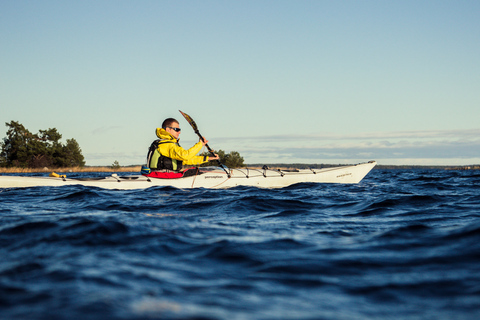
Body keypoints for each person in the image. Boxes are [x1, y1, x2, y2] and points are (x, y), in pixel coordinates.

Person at [144, 118, 219, 178]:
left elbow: (185, 160)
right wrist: (200, 145)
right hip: (163, 176)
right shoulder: (165, 145)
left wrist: (208, 158)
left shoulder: (168, 144)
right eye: (177, 129)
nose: (179, 132)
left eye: (179, 130)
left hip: (165, 176)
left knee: (195, 171)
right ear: (167, 130)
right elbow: (185, 155)